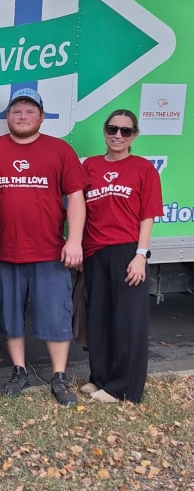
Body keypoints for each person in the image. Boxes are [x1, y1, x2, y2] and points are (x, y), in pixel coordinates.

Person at [0, 88, 87, 406]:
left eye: (29, 111)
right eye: (17, 111)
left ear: (40, 116)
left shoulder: (60, 150)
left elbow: (77, 198)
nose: (23, 117)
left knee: (56, 316)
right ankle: (19, 371)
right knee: (8, 316)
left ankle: (59, 376)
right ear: (8, 117)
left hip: (50, 252)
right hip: (3, 252)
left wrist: (75, 240)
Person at [81, 109, 163, 404]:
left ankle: (123, 387)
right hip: (94, 251)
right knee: (99, 318)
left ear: (134, 136)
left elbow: (148, 215)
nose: (118, 135)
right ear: (105, 131)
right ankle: (100, 378)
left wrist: (140, 255)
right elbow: (79, 209)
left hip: (128, 251)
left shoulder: (143, 168)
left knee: (127, 321)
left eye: (125, 131)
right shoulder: (89, 166)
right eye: (113, 129)